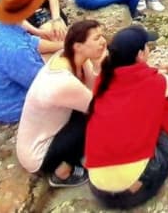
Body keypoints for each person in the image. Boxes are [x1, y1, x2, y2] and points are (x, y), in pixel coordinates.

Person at [84, 25, 168, 208]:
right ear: (140, 54)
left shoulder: (104, 79)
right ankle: (141, 181)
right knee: (166, 109)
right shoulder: (150, 81)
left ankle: (132, 183)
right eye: (147, 46)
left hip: (98, 189)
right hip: (131, 189)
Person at [17, 20, 105, 189]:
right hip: (39, 155)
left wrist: (97, 66)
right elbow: (99, 107)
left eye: (102, 36)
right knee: (94, 120)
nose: (103, 42)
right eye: (96, 38)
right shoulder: (63, 81)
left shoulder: (74, 58)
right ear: (78, 46)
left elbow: (92, 88)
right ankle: (62, 172)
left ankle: (74, 157)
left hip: (49, 134)